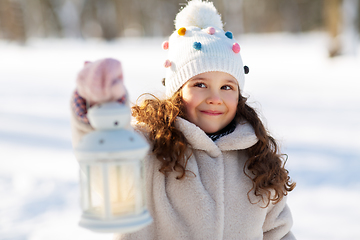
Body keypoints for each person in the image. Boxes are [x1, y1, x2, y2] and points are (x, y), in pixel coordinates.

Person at [71, 0, 296, 239]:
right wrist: (99, 113)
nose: (215, 98)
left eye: (227, 87)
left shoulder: (255, 159)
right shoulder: (150, 148)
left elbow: (278, 232)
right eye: (200, 84)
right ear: (176, 92)